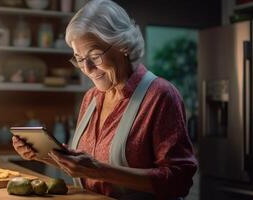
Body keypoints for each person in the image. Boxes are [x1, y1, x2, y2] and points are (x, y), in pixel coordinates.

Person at [12, 0, 197, 199]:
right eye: (79, 58)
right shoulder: (91, 97)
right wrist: (43, 153)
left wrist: (99, 170)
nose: (88, 68)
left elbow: (179, 181)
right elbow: (85, 168)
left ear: (123, 45)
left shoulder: (160, 95)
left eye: (94, 55)